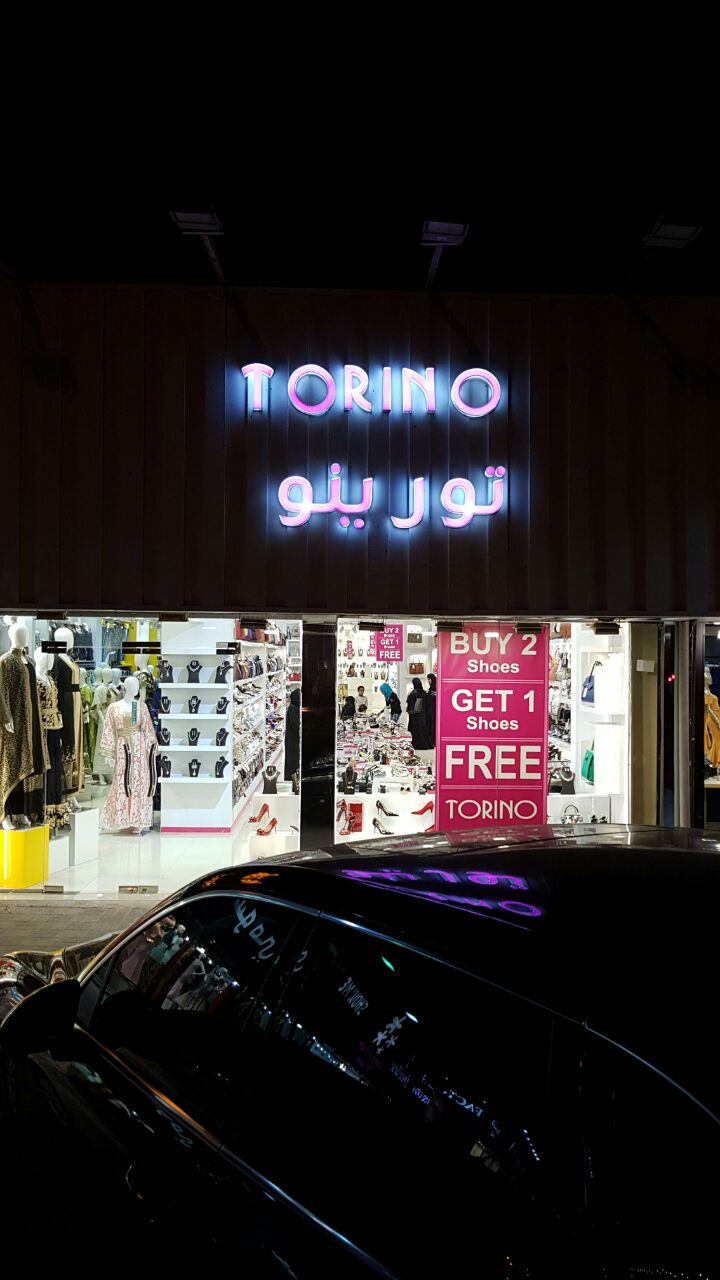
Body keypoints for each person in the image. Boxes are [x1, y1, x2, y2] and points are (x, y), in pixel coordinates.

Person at [407, 678, 430, 750]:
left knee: (415, 728)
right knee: (422, 729)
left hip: (415, 714)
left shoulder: (414, 692)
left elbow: (411, 703)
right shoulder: (423, 692)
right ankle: (423, 744)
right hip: (422, 714)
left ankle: (416, 744)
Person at [284, 687, 300, 781]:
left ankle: (293, 775)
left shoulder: (293, 707)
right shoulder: (292, 709)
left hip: (292, 737)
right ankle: (290, 776)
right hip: (292, 739)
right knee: (292, 757)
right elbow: (295, 724)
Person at [425, 672, 437, 749]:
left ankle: (432, 741)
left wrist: (426, 694)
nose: (428, 681)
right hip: (432, 708)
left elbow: (431, 698)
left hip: (432, 709)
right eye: (428, 679)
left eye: (429, 679)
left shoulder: (433, 687)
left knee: (432, 724)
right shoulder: (433, 687)